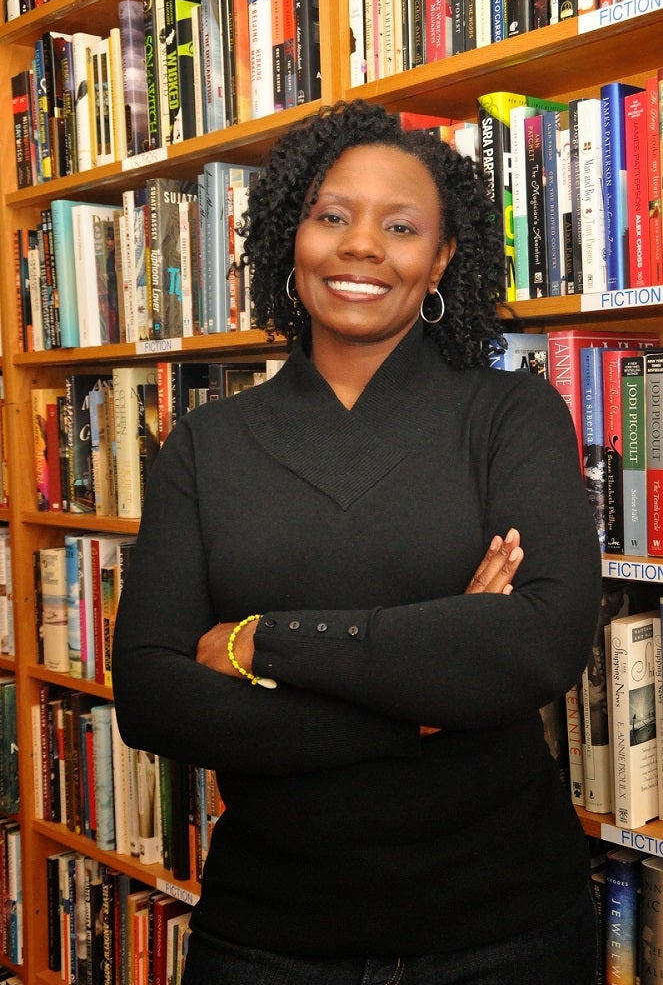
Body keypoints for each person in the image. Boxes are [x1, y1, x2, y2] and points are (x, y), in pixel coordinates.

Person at [112, 99, 602, 984]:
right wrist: (424, 697)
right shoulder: (205, 444)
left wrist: (261, 640)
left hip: (506, 929)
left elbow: (540, 644)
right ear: (287, 240)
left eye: (401, 225)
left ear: (442, 255)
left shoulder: (511, 414)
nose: (362, 246)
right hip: (267, 938)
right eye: (330, 216)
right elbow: (153, 695)